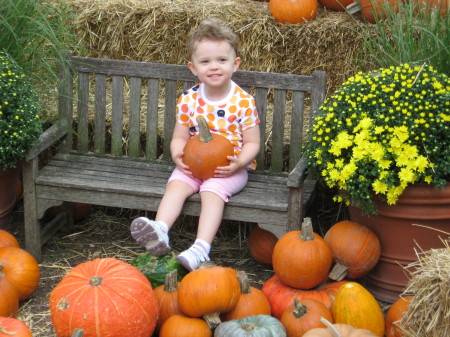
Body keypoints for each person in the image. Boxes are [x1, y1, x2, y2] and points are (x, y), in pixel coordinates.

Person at [130, 17, 260, 271]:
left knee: (211, 192)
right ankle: (161, 229)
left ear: (236, 64)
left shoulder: (243, 101)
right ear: (193, 68)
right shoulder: (189, 99)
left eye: (222, 60)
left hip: (229, 169)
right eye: (205, 61)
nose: (214, 67)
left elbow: (253, 143)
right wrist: (177, 153)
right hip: (194, 164)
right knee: (176, 185)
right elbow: (180, 136)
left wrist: (240, 162)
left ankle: (201, 248)